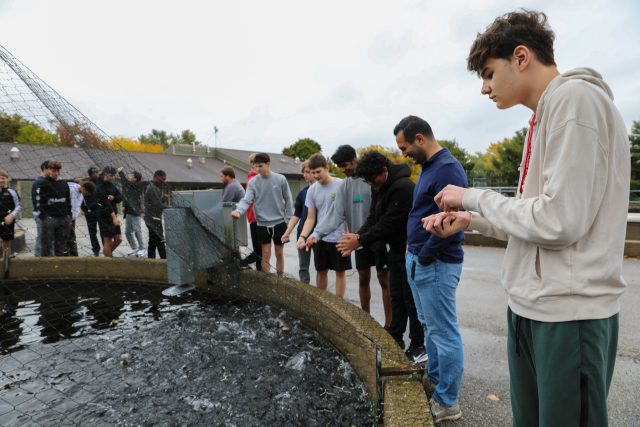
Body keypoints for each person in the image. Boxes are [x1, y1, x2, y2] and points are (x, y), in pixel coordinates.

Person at [423, 10, 630, 426]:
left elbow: (559, 221)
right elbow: (533, 219)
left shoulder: (576, 101)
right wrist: (472, 219)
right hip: (533, 308)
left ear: (520, 57)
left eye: (488, 73)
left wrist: (474, 195)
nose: (484, 88)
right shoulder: (545, 114)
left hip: (569, 315)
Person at [394, 115, 468, 422]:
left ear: (420, 138)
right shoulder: (428, 168)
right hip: (421, 259)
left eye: (405, 147)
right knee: (430, 328)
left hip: (436, 262)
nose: (403, 154)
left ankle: (448, 401)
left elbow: (456, 223)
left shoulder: (448, 169)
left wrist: (423, 255)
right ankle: (436, 381)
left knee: (443, 332)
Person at [336, 151, 424, 360]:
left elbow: (389, 223)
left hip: (408, 249)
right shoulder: (380, 186)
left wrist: (360, 240)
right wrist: (358, 234)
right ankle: (396, 335)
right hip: (394, 249)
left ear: (384, 171)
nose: (372, 186)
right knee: (396, 296)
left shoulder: (403, 188)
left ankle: (418, 344)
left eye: (373, 181)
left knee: (410, 298)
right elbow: (374, 216)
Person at [309, 145, 392, 327]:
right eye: (340, 166)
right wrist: (316, 234)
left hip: (378, 237)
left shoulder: (371, 179)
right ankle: (366, 321)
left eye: (346, 165)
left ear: (355, 160)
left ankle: (389, 325)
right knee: (363, 278)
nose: (343, 169)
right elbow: (336, 214)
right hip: (358, 240)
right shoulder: (345, 185)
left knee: (384, 279)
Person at [297, 153, 351, 297]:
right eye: (312, 172)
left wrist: (349, 236)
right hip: (320, 238)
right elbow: (310, 218)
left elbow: (349, 213)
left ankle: (339, 305)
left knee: (340, 273)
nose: (315, 176)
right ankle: (322, 303)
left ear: (327, 168)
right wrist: (303, 236)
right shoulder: (312, 190)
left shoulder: (342, 185)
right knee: (321, 272)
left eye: (318, 172)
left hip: (340, 238)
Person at [232, 153, 293, 275]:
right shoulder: (253, 182)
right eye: (256, 167)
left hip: (279, 222)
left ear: (268, 164)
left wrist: (287, 220)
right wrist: (239, 210)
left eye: (260, 166)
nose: (258, 169)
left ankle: (280, 278)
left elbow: (288, 200)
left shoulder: (281, 179)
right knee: (265, 253)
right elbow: (246, 200)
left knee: (279, 252)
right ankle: (267, 280)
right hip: (262, 223)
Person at [281, 160, 314, 283]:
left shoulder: (323, 190)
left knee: (322, 268)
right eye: (304, 172)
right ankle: (304, 290)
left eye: (308, 172)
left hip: (320, 234)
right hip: (303, 234)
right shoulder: (302, 193)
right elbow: (296, 215)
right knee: (303, 266)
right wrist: (287, 232)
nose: (305, 175)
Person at [36, 160, 72, 257]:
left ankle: (59, 269)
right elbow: (39, 203)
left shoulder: (64, 184)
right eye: (53, 171)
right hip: (49, 220)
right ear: (49, 170)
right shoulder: (43, 184)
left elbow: (68, 201)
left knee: (60, 248)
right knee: (46, 248)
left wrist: (69, 216)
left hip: (63, 219)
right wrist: (44, 218)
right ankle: (46, 270)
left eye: (58, 171)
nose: (56, 173)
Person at [95, 166, 123, 257]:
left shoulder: (111, 185)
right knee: (108, 240)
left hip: (114, 215)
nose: (115, 177)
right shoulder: (99, 185)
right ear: (107, 175)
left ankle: (107, 255)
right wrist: (114, 218)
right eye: (113, 175)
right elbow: (105, 203)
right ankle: (108, 258)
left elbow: (120, 197)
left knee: (118, 239)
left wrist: (114, 198)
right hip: (105, 216)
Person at [119, 169, 145, 257]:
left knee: (137, 231)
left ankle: (142, 248)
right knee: (127, 232)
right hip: (129, 212)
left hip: (135, 212)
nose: (129, 175)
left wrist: (120, 172)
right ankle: (134, 248)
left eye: (131, 175)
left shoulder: (137, 185)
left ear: (135, 178)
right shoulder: (130, 186)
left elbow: (125, 182)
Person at [242, 154, 262, 270]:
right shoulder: (253, 180)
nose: (259, 167)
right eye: (256, 164)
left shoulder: (254, 178)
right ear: (252, 164)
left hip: (255, 218)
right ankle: (242, 263)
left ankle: (259, 271)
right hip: (256, 218)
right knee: (259, 250)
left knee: (260, 249)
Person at [65, 180, 95, 256]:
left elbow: (77, 206)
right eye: (87, 193)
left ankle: (73, 256)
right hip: (66, 218)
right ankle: (66, 256)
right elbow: (67, 206)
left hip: (73, 219)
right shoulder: (71, 190)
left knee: (72, 237)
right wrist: (69, 219)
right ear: (83, 188)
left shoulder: (81, 192)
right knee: (66, 237)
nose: (86, 195)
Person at [144, 170, 168, 259]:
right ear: (156, 176)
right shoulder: (153, 188)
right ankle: (164, 260)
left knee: (153, 241)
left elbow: (155, 203)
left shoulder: (153, 187)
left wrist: (162, 199)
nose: (163, 181)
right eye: (162, 179)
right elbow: (157, 205)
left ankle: (151, 260)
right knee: (160, 240)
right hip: (153, 219)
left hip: (151, 218)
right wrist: (171, 208)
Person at [0, 170, 21, 261]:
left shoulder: (12, 192)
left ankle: (6, 263)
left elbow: (19, 205)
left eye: (3, 178)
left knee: (6, 242)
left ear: (7, 179)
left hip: (8, 221)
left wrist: (12, 215)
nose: (1, 180)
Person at [81, 166, 102, 256]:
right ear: (90, 174)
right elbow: (82, 196)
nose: (96, 174)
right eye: (93, 173)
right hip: (90, 212)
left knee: (103, 231)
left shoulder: (101, 183)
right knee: (92, 232)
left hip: (100, 211)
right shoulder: (86, 184)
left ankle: (106, 247)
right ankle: (96, 249)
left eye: (97, 172)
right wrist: (85, 209)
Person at [31, 161, 50, 256]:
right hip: (42, 215)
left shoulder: (47, 181)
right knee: (41, 237)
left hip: (49, 215)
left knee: (48, 238)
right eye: (51, 169)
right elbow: (37, 200)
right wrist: (42, 214)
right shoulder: (39, 182)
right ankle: (38, 259)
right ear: (45, 169)